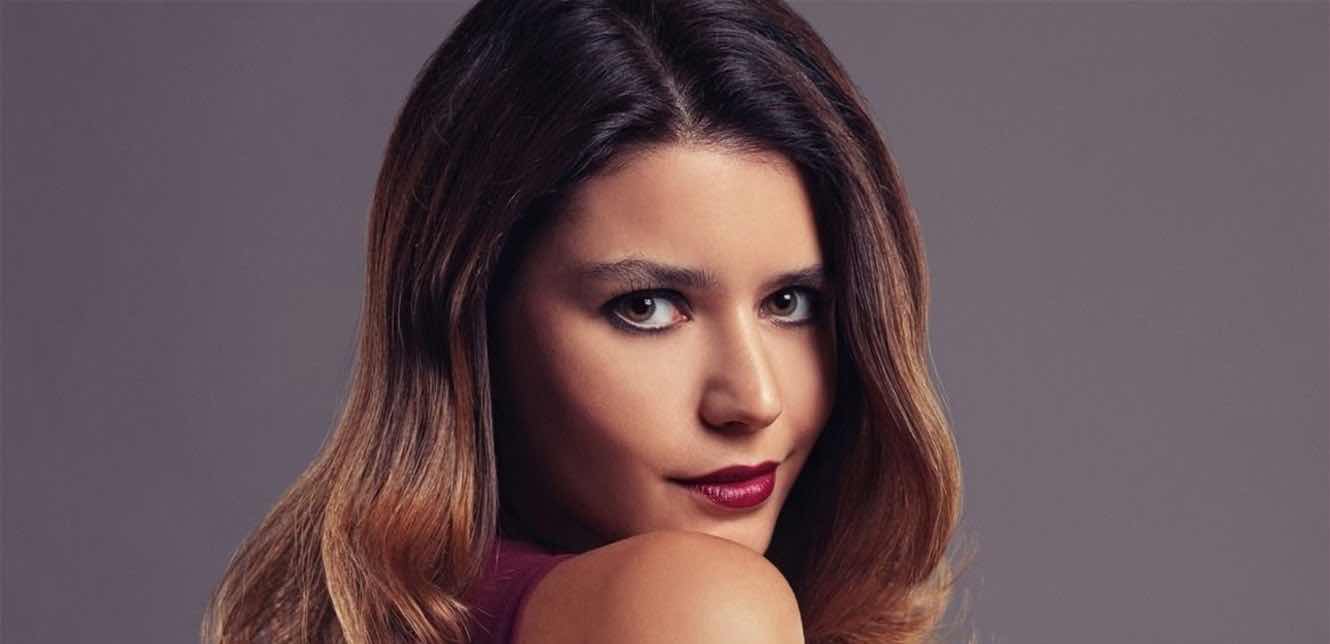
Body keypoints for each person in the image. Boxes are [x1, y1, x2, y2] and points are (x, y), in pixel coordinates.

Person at [201, 0, 968, 642]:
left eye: (790, 303)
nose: (754, 399)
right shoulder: (696, 607)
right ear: (474, 316)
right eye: (646, 307)